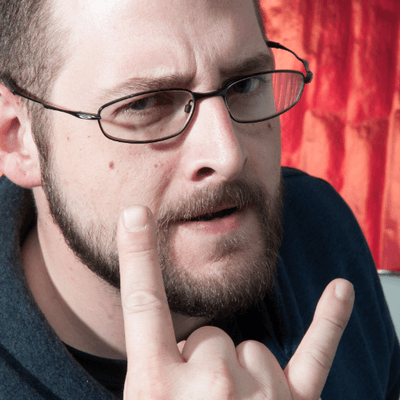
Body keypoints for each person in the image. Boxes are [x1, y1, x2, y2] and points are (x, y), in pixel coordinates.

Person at [0, 0, 399, 398]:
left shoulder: (317, 226)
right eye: (145, 104)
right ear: (18, 138)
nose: (228, 156)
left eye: (245, 84)